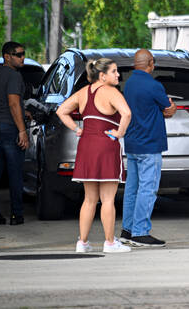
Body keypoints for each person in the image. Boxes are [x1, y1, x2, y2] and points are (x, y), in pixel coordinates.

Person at [57, 58, 132, 253]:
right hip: (106, 145)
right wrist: (120, 133)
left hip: (86, 146)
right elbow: (127, 113)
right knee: (107, 199)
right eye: (114, 71)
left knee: (89, 199)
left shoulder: (83, 93)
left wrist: (77, 128)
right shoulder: (111, 92)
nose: (118, 75)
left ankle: (82, 242)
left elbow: (61, 111)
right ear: (102, 75)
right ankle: (109, 242)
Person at [119, 49, 176, 247]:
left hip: (132, 143)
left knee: (132, 189)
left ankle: (127, 230)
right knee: (148, 189)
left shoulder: (129, 84)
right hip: (150, 145)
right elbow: (168, 109)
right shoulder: (154, 85)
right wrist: (172, 106)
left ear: (135, 64)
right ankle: (140, 232)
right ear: (150, 63)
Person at [0, 41, 28, 226]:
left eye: (23, 54)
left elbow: (4, 101)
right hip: (10, 127)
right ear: (7, 56)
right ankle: (16, 215)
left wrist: (23, 109)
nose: (22, 58)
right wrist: (22, 130)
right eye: (18, 54)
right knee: (15, 174)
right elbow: (12, 103)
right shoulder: (14, 75)